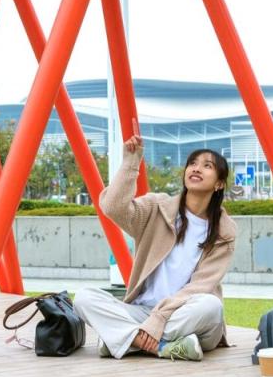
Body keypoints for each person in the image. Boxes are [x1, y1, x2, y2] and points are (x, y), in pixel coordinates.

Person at [74, 132, 235, 361]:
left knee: (211, 305)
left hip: (185, 314)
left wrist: (160, 318)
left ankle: (123, 340)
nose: (196, 168)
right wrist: (131, 163)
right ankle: (162, 347)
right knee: (83, 298)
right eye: (192, 163)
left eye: (207, 166)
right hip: (142, 312)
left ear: (219, 184)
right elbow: (113, 207)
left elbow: (200, 287)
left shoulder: (224, 232)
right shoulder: (157, 208)